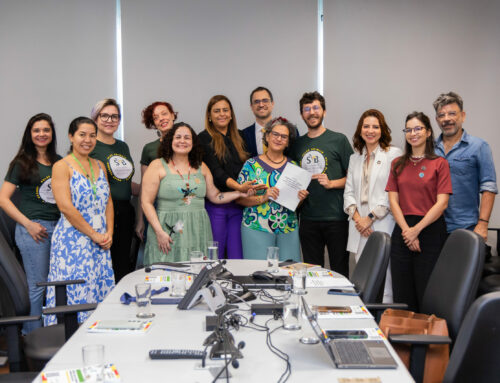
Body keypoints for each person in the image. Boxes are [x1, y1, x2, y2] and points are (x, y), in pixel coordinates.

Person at [141, 122, 254, 264]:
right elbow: (146, 202)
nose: (182, 141)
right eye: (178, 137)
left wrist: (240, 193)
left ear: (193, 143)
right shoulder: (157, 165)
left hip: (198, 230)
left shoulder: (202, 166)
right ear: (170, 141)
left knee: (196, 274)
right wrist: (159, 232)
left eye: (187, 138)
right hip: (167, 230)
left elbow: (215, 196)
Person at [45, 117, 115, 325]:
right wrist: (93, 234)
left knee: (98, 289)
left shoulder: (100, 164)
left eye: (92, 135)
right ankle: (71, 339)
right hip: (73, 241)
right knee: (77, 290)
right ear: (71, 136)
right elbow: (66, 207)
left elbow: (108, 202)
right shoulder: (61, 165)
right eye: (82, 134)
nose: (88, 140)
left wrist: (109, 232)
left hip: (101, 240)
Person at [386, 111, 452, 312]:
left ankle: (426, 340)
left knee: (427, 290)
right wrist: (408, 231)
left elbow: (442, 204)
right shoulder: (397, 163)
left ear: (429, 132)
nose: (412, 133)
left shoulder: (440, 163)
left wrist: (417, 230)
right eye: (408, 129)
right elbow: (393, 201)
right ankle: (402, 341)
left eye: (418, 128)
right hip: (403, 230)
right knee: (402, 291)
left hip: (430, 230)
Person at [0, 113, 60, 333]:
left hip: (58, 228)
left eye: (46, 130)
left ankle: (51, 333)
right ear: (30, 134)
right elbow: (3, 199)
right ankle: (32, 335)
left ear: (52, 134)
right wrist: (28, 224)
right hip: (34, 230)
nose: (41, 134)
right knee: (38, 287)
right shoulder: (21, 163)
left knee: (55, 287)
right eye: (37, 130)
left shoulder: (59, 162)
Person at [290, 91, 353, 276]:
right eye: (307, 109)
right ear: (302, 115)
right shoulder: (297, 145)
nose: (312, 112)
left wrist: (332, 183)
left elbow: (354, 179)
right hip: (308, 218)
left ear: (324, 111)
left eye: (316, 108)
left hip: (337, 218)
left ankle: (341, 304)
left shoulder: (339, 140)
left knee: (339, 270)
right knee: (312, 273)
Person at [343, 109, 402, 302]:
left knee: (386, 276)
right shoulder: (355, 157)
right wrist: (358, 219)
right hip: (359, 224)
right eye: (366, 126)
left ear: (382, 130)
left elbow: (391, 192)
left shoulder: (393, 154)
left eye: (375, 127)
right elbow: (349, 191)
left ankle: (386, 318)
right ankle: (366, 316)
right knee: (363, 273)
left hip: (382, 221)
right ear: (360, 130)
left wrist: (370, 218)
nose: (370, 130)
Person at [198, 95, 263, 259]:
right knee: (215, 256)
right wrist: (239, 187)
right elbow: (216, 172)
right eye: (217, 111)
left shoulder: (240, 136)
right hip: (217, 205)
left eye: (225, 110)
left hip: (240, 205)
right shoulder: (204, 138)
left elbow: (249, 166)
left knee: (237, 255)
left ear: (231, 114)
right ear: (209, 116)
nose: (222, 114)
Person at [238, 117, 308, 261]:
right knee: (258, 275)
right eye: (275, 134)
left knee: (289, 274)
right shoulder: (250, 165)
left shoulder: (294, 167)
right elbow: (239, 199)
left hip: (287, 228)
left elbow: (295, 205)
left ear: (288, 142)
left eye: (284, 136)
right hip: (256, 228)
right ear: (267, 136)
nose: (279, 139)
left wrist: (300, 199)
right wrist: (263, 197)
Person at [433, 91, 497, 240]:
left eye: (452, 114)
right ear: (437, 120)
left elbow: (489, 188)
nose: (446, 119)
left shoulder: (479, 146)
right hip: (433, 227)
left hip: (466, 227)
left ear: (463, 116)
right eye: (442, 115)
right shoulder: (430, 149)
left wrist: (483, 223)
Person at [90, 98, 138, 282]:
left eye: (114, 116)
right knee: (105, 263)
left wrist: (151, 187)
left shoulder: (122, 146)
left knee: (123, 264)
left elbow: (125, 182)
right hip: (103, 212)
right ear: (95, 118)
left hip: (125, 211)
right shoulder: (91, 146)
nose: (110, 120)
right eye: (105, 116)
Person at [136, 101, 178, 240]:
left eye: (164, 113)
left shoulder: (187, 142)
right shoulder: (149, 149)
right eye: (156, 117)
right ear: (153, 124)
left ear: (173, 115)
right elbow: (144, 187)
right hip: (155, 208)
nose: (161, 118)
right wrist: (141, 220)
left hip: (183, 205)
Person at [242, 86, 275, 157]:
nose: (261, 105)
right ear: (251, 107)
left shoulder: (288, 131)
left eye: (265, 100)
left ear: (272, 104)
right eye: (256, 102)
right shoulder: (242, 135)